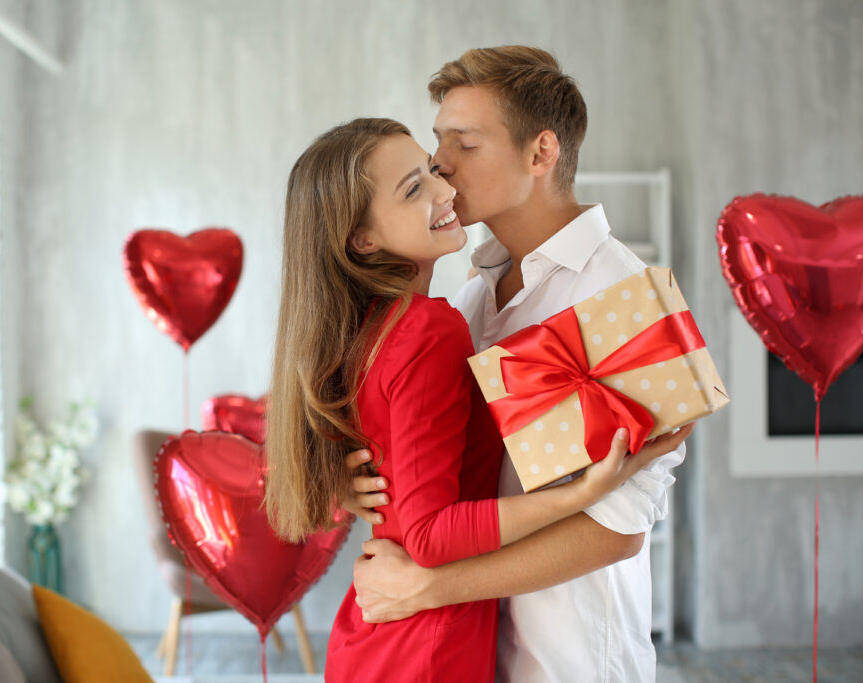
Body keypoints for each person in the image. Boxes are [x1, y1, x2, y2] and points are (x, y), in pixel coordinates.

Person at [263, 118, 679, 683]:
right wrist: (582, 492)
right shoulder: (447, 317)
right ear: (362, 240)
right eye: (416, 186)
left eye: (447, 159)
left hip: (407, 633)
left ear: (541, 152)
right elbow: (430, 534)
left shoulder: (373, 329)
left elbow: (622, 527)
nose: (446, 183)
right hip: (428, 643)